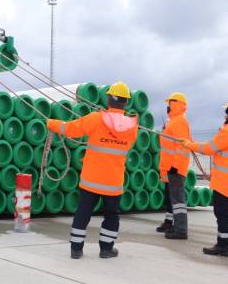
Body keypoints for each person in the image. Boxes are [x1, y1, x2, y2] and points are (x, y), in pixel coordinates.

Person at [47, 81, 138, 259]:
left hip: (91, 179)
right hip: (113, 182)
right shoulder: (132, 127)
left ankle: (76, 249)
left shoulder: (96, 118)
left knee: (83, 212)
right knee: (111, 215)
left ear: (109, 99)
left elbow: (71, 129)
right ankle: (106, 249)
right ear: (126, 102)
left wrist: (51, 123)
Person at [180, 97, 228, 257]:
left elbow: (208, 148)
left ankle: (222, 246)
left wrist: (189, 144)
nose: (225, 114)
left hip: (225, 184)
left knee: (223, 214)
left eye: (227, 111)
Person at [156, 92, 192, 240]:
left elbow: (181, 146)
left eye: (169, 103)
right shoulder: (174, 121)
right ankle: (169, 222)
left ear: (174, 104)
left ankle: (181, 230)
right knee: (170, 198)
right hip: (169, 167)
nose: (167, 107)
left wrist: (176, 166)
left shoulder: (179, 122)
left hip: (175, 168)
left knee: (177, 201)